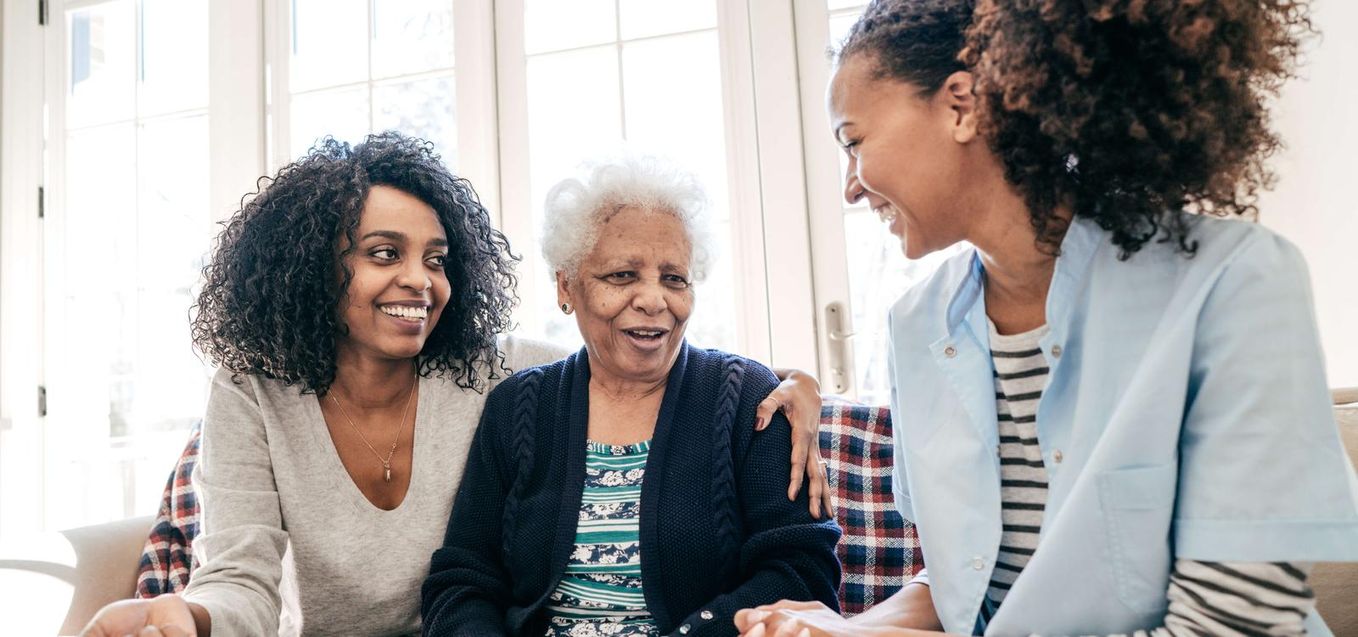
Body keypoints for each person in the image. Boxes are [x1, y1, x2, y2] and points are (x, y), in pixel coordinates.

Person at [736, 0, 1358, 635]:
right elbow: (964, 583)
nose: (850, 185)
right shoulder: (914, 323)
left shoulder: (1235, 282)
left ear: (960, 105)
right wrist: (852, 629)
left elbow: (1235, 624)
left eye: (854, 142)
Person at [80, 133, 828, 637]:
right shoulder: (258, 393)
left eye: (436, 257)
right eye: (383, 252)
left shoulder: (494, 370)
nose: (418, 279)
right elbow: (242, 575)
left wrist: (799, 382)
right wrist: (189, 616)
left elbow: (640, 364)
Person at [420, 154, 843, 637]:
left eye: (674, 278)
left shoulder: (751, 401)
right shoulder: (519, 405)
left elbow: (802, 571)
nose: (653, 299)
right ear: (567, 285)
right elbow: (464, 576)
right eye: (622, 275)